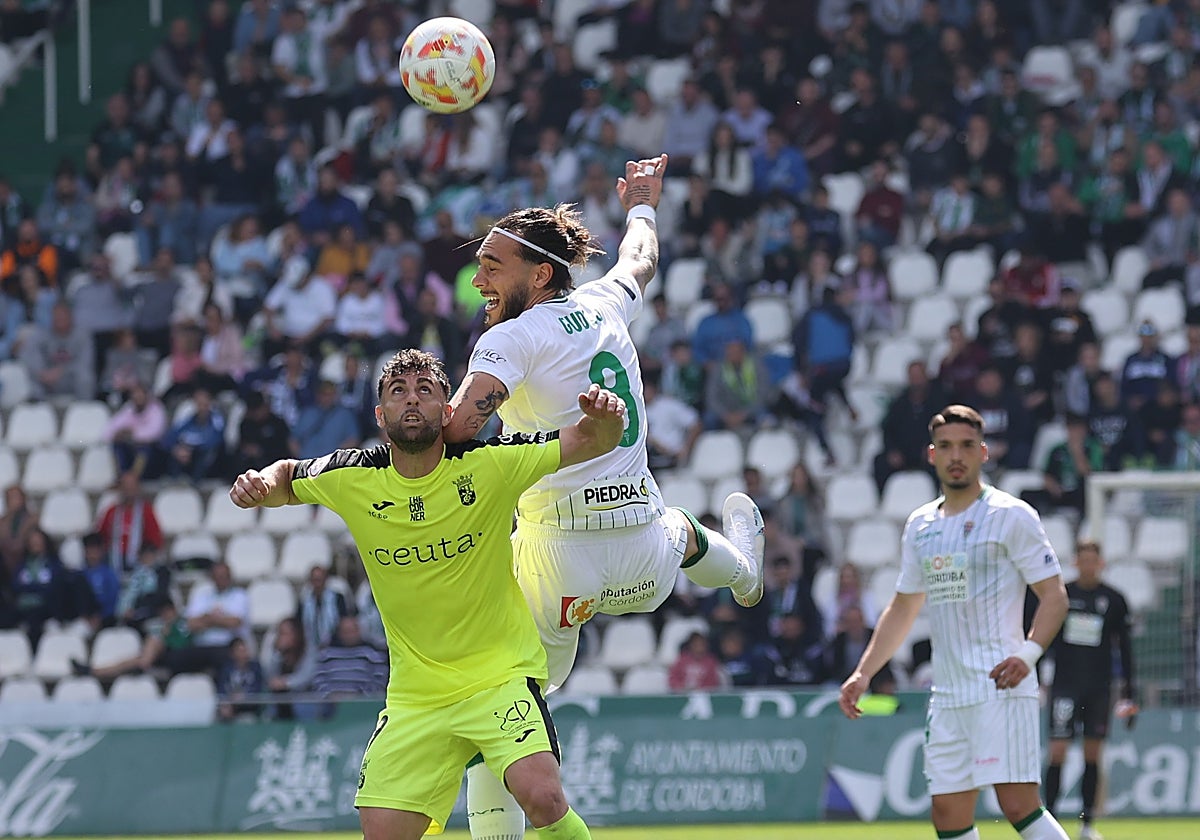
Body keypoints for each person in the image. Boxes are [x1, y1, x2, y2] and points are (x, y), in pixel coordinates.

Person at [444, 155, 765, 840]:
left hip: (557, 566)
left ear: (539, 274)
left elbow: (458, 428)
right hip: (646, 554)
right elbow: (640, 258)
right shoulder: (604, 302)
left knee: (498, 709)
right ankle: (742, 573)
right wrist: (642, 204)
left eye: (493, 266)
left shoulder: (510, 338)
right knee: (681, 528)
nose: (478, 279)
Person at [230, 348, 627, 840]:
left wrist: (608, 420)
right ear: (380, 415)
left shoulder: (491, 463)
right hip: (416, 698)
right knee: (382, 831)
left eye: (425, 391)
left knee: (542, 795)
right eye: (398, 392)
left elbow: (588, 440)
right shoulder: (351, 475)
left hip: (498, 677)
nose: (411, 400)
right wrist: (260, 484)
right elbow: (287, 475)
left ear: (447, 410)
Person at [839, 404, 1071, 840]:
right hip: (947, 693)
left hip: (1002, 683)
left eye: (966, 446)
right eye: (946, 447)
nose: (956, 455)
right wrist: (863, 672)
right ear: (932, 455)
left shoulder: (1011, 515)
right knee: (948, 815)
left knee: (1018, 804)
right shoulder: (920, 525)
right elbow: (903, 607)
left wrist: (1028, 654)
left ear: (983, 453)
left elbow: (1055, 596)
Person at [1043, 541, 1138, 840]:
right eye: (1083, 560)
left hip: (1099, 688)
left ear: (1101, 564)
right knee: (1057, 751)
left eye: (1093, 561)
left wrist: (1129, 693)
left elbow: (1124, 649)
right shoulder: (1062, 595)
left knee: (1092, 754)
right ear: (1075, 563)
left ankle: (1086, 823)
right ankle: (1051, 824)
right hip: (1065, 686)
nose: (1088, 566)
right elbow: (1045, 636)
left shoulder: (1114, 600)